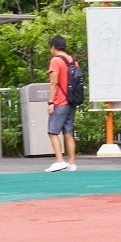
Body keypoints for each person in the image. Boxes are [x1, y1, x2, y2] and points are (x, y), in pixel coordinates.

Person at [44, 35, 78, 172]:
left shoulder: (55, 61)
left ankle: (59, 161)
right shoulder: (73, 61)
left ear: (53, 47)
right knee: (68, 132)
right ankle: (72, 163)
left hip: (60, 101)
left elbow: (54, 83)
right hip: (72, 101)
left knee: (52, 132)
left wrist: (50, 102)